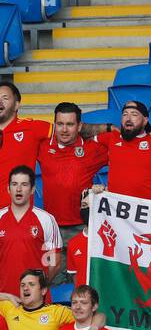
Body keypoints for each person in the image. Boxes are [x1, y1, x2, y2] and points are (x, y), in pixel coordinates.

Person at [37, 103, 106, 243]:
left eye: (70, 124)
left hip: (83, 227)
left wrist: (109, 127)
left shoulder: (92, 148)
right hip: (51, 226)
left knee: (79, 266)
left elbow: (123, 153)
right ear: (54, 124)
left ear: (80, 126)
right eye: (60, 124)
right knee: (54, 266)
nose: (64, 129)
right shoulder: (42, 146)